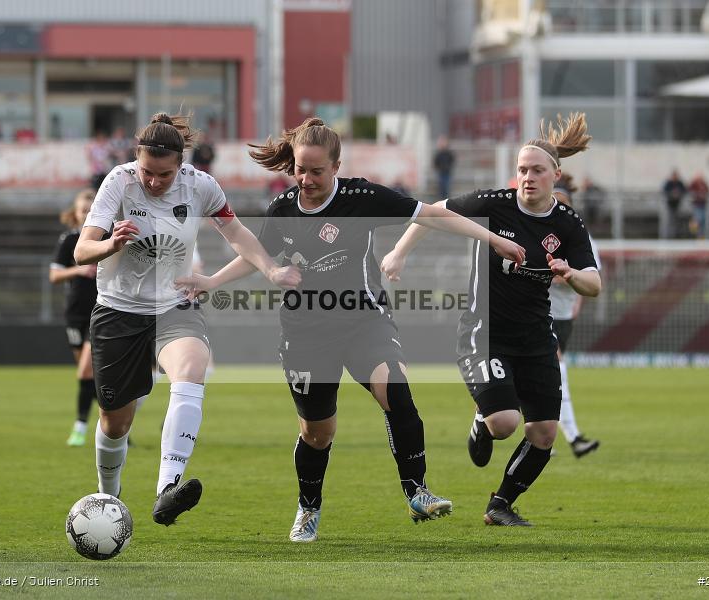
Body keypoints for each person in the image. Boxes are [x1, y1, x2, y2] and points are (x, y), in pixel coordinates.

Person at [177, 117, 525, 542]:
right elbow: (257, 255)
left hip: (364, 321)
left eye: (316, 171)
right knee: (317, 433)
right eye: (300, 170)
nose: (306, 180)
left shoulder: (362, 198)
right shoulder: (283, 209)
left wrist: (493, 239)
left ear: (336, 167)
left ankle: (416, 491)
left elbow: (432, 214)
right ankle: (308, 508)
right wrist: (212, 281)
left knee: (395, 390)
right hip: (305, 333)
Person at [73, 112, 300, 526]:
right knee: (115, 423)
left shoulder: (200, 186)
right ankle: (109, 496)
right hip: (118, 310)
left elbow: (236, 233)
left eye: (164, 174)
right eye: (147, 171)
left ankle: (167, 489)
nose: (153, 181)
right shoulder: (119, 181)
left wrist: (270, 269)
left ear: (180, 165)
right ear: (136, 160)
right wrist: (110, 244)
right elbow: (81, 251)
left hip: (174, 304)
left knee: (191, 370)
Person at [382, 113, 601, 526]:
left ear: (556, 174)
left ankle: (500, 504)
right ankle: (483, 421)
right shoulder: (495, 204)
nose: (528, 177)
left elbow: (594, 283)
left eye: (537, 170)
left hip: (536, 336)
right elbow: (434, 211)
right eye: (522, 170)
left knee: (544, 434)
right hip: (486, 333)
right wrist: (399, 252)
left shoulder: (568, 223)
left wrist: (571, 274)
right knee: (504, 423)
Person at [549, 184, 600, 458]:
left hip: (564, 317)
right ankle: (573, 437)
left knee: (539, 378)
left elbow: (592, 278)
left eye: (563, 203)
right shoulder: (535, 232)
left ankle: (537, 437)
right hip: (540, 315)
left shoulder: (581, 237)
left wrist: (575, 292)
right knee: (556, 371)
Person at [50, 189, 100, 447]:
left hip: (100, 313)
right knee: (91, 378)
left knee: (86, 371)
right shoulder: (69, 240)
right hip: (74, 314)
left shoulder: (106, 237)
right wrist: (78, 270)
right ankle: (116, 427)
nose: (87, 213)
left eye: (91, 209)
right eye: (83, 210)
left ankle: (80, 427)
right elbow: (54, 276)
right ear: (76, 213)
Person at [662, 170, 687, 239]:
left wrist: (679, 194)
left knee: (677, 220)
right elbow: (664, 191)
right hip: (670, 204)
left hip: (678, 204)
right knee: (670, 220)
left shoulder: (679, 183)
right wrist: (672, 194)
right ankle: (669, 235)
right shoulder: (669, 183)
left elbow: (685, 190)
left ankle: (676, 235)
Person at [432, 135, 456, 200]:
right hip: (441, 172)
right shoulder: (439, 153)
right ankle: (441, 199)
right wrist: (439, 168)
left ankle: (446, 200)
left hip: (447, 172)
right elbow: (435, 162)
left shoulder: (449, 153)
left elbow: (452, 160)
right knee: (441, 187)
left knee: (446, 187)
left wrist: (448, 167)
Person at [689, 172, 709, 239]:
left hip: (703, 204)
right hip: (696, 204)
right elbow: (690, 191)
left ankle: (701, 235)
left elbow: (708, 191)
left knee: (703, 220)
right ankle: (694, 234)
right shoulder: (694, 184)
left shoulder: (704, 184)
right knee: (697, 219)